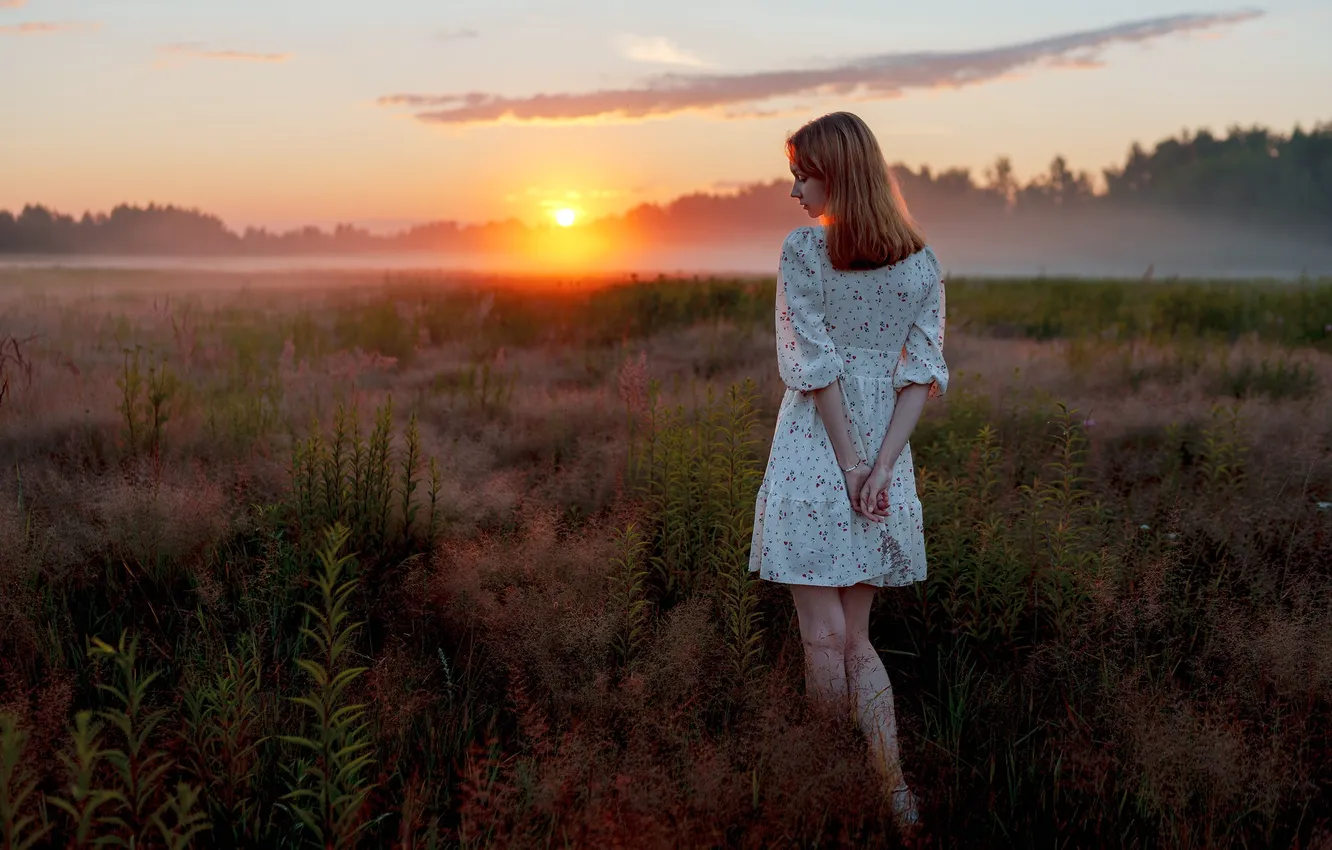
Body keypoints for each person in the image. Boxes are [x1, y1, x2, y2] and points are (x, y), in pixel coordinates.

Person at [748, 111, 948, 831]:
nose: (795, 189)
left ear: (838, 174)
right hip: (881, 454)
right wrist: (884, 466)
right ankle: (896, 795)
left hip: (817, 445)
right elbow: (921, 374)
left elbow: (814, 367)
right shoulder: (921, 262)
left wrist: (857, 463)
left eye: (802, 173)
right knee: (853, 637)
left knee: (821, 637)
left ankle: (828, 786)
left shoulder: (806, 252)